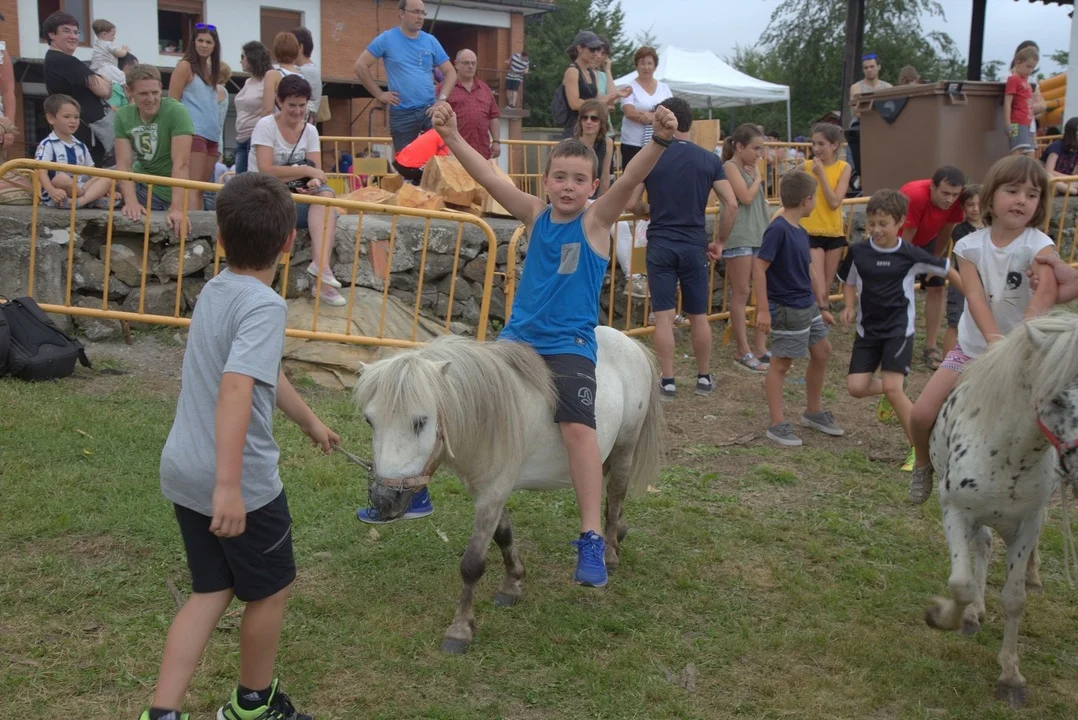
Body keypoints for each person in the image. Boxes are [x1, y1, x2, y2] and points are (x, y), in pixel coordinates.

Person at [418, 94, 678, 588]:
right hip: (516, 342)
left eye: (579, 179)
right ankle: (414, 481)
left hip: (568, 346)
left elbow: (629, 180)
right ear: (545, 181)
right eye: (560, 177)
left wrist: (660, 141)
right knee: (453, 395)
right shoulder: (535, 215)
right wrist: (450, 136)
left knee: (579, 428)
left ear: (593, 187)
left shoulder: (596, 221)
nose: (568, 186)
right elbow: (489, 177)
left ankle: (591, 535)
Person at [139, 172, 339, 720]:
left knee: (210, 590)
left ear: (222, 239)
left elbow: (261, 369)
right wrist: (229, 488)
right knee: (270, 591)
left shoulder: (216, 289)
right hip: (238, 484)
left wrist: (309, 421)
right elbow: (236, 387)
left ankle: (162, 713)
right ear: (290, 241)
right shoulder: (266, 306)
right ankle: (253, 703)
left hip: (184, 469)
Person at [908, 156, 1059, 504]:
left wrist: (1014, 348)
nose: (1022, 200)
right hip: (972, 350)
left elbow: (1043, 296)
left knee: (1055, 416)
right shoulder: (968, 246)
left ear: (1039, 204)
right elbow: (974, 296)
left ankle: (1052, 476)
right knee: (921, 414)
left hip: (1024, 354)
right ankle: (922, 463)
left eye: (1032, 194)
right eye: (1013, 191)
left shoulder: (1040, 245)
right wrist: (993, 342)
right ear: (990, 197)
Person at [839, 189, 960, 470]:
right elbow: (849, 282)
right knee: (856, 388)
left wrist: (975, 300)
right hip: (867, 331)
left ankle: (921, 450)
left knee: (893, 388)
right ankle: (893, 392)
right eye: (872, 223)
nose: (876, 230)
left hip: (898, 330)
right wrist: (848, 306)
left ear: (900, 222)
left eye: (883, 224)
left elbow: (948, 269)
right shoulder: (859, 251)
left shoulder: (909, 254)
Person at [627, 97, 737, 401]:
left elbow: (632, 203)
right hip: (693, 244)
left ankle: (668, 381)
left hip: (661, 242)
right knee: (699, 315)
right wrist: (720, 241)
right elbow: (731, 204)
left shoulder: (651, 156)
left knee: (663, 317)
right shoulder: (709, 160)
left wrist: (649, 209)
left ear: (665, 120)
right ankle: (703, 377)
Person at [754, 170, 844, 447]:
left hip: (807, 305)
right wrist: (763, 310)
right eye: (815, 197)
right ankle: (777, 424)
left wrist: (822, 305)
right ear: (807, 200)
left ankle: (813, 412)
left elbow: (810, 271)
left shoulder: (801, 232)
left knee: (822, 351)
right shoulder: (778, 229)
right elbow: (759, 268)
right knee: (781, 363)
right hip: (787, 307)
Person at [251, 75, 344, 308]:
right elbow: (265, 169)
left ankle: (321, 269)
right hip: (266, 197)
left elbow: (316, 174)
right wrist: (305, 171)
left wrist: (312, 181)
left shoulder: (310, 131)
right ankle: (323, 280)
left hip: (296, 195)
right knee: (328, 210)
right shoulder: (266, 126)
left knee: (326, 198)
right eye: (292, 105)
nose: (297, 111)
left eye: (302, 105)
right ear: (280, 102)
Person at [353, 0, 455, 152]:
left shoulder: (430, 41)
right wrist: (379, 94)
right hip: (402, 113)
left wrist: (441, 100)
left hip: (430, 110)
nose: (420, 17)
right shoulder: (386, 39)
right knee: (406, 160)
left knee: (438, 158)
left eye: (423, 13)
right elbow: (360, 66)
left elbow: (451, 72)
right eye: (415, 12)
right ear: (401, 13)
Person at [899, 166, 965, 369]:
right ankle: (897, 341)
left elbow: (947, 229)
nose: (949, 199)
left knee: (937, 287)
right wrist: (901, 267)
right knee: (900, 289)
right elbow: (907, 236)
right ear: (932, 187)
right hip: (900, 242)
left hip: (929, 240)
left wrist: (934, 260)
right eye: (945, 193)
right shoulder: (915, 195)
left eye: (955, 194)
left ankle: (930, 346)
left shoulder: (957, 201)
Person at [114, 64, 192, 234]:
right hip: (138, 182)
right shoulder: (122, 115)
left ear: (161, 88)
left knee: (103, 180)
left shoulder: (176, 111)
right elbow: (123, 164)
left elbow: (181, 164)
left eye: (155, 92)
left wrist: (177, 208)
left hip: (160, 192)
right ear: (129, 91)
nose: (151, 99)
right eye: (143, 94)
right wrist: (131, 202)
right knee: (101, 177)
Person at [722, 124, 771, 372]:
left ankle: (760, 348)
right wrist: (759, 178)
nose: (759, 154)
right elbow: (746, 197)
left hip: (759, 233)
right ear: (739, 147)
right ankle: (743, 350)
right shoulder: (730, 167)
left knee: (761, 290)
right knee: (741, 292)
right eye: (755, 148)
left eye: (761, 149)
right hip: (740, 235)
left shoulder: (751, 167)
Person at [43, 11, 114, 166]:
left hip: (89, 135)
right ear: (51, 34)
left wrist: (104, 84)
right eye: (66, 31)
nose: (73, 36)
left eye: (76, 32)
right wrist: (107, 82)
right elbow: (103, 91)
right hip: (90, 135)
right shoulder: (65, 61)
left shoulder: (57, 61)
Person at [801, 123, 851, 322]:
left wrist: (821, 174)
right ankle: (817, 319)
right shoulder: (806, 166)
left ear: (834, 145)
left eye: (821, 144)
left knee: (827, 285)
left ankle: (821, 324)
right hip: (811, 230)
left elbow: (834, 202)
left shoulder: (843, 168)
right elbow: (786, 183)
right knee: (818, 285)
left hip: (833, 231)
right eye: (813, 143)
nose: (816, 148)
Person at [168, 23, 221, 211]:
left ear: (215, 45)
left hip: (212, 135)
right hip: (193, 132)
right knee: (192, 187)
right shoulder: (185, 66)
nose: (204, 45)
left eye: (208, 42)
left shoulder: (211, 70)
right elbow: (172, 102)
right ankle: (191, 226)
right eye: (200, 40)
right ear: (193, 42)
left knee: (200, 190)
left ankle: (195, 225)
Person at [34, 94, 114, 208]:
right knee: (60, 179)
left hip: (81, 185)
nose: (73, 121)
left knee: (105, 177)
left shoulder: (81, 146)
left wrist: (108, 189)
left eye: (76, 117)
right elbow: (41, 171)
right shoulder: (48, 144)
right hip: (59, 192)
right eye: (67, 117)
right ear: (51, 118)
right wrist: (51, 190)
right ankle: (91, 198)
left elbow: (93, 172)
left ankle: (79, 201)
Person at [942, 185, 984, 358]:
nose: (975, 209)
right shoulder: (960, 230)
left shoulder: (994, 227)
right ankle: (946, 362)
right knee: (956, 323)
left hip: (986, 283)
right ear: (963, 207)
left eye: (979, 204)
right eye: (970, 204)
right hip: (962, 283)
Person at [619, 46, 672, 169]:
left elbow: (671, 110)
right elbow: (629, 112)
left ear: (655, 66)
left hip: (658, 142)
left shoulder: (664, 88)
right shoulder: (628, 87)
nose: (646, 67)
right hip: (632, 143)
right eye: (642, 63)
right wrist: (645, 117)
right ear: (636, 66)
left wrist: (653, 117)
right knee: (632, 177)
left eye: (649, 63)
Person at [442, 49, 500, 160]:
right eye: (466, 63)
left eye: (473, 63)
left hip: (481, 152)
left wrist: (496, 141)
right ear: (456, 64)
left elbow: (493, 116)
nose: (470, 66)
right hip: (454, 154)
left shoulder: (485, 89)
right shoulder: (445, 88)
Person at [234, 42, 281, 175]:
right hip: (241, 137)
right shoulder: (248, 81)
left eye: (243, 57)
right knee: (240, 181)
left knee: (253, 179)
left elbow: (268, 109)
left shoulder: (269, 78)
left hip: (256, 137)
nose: (240, 61)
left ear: (252, 57)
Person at [559, 31, 602, 139]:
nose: (596, 53)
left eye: (597, 49)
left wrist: (615, 95)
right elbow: (575, 104)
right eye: (592, 49)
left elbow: (599, 101)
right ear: (579, 48)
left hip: (591, 129)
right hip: (575, 129)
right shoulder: (572, 71)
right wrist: (599, 103)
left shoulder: (592, 73)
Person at [572, 99, 613, 198]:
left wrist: (601, 202)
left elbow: (605, 176)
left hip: (594, 196)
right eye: (584, 118)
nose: (588, 122)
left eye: (594, 119)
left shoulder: (607, 143)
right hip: (573, 195)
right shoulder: (570, 143)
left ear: (601, 122)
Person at [1005, 46, 1038, 157]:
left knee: (1031, 153)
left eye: (1032, 68)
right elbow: (1008, 101)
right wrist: (1008, 124)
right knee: (1017, 151)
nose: (1030, 71)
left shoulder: (1026, 81)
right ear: (1018, 63)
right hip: (1017, 122)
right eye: (1028, 66)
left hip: (1027, 123)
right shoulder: (1014, 79)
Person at [291, 27, 322, 125]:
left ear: (300, 47)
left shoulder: (303, 71)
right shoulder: (312, 69)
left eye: (290, 45)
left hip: (300, 126)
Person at [1042, 116, 1078, 194]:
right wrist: (1068, 178)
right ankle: (1072, 191)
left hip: (1065, 182)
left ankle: (1066, 189)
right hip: (1052, 179)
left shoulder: (1076, 149)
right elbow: (1049, 170)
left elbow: (1075, 174)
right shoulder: (1057, 146)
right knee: (1047, 176)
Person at [89, 18, 128, 86]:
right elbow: (120, 54)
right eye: (112, 35)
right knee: (122, 78)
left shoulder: (97, 44)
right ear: (104, 34)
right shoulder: (108, 44)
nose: (114, 38)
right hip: (107, 68)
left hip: (97, 70)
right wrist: (125, 50)